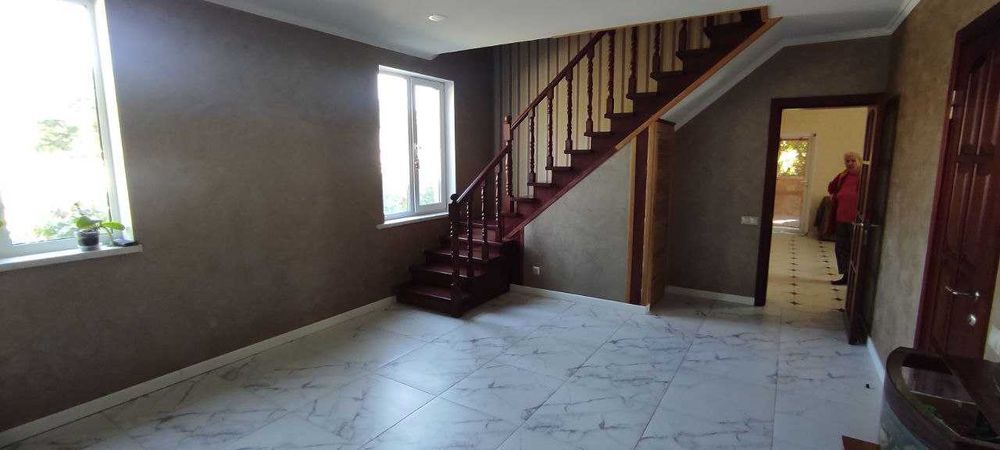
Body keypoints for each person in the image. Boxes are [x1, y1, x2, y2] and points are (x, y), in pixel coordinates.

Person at [828, 152, 861, 285]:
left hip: (856, 220)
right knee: (841, 247)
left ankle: (855, 277)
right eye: (847, 161)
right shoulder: (843, 176)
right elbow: (831, 187)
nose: (850, 163)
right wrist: (834, 194)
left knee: (855, 248)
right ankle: (846, 275)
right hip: (841, 217)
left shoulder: (864, 177)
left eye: (853, 160)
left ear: (859, 161)